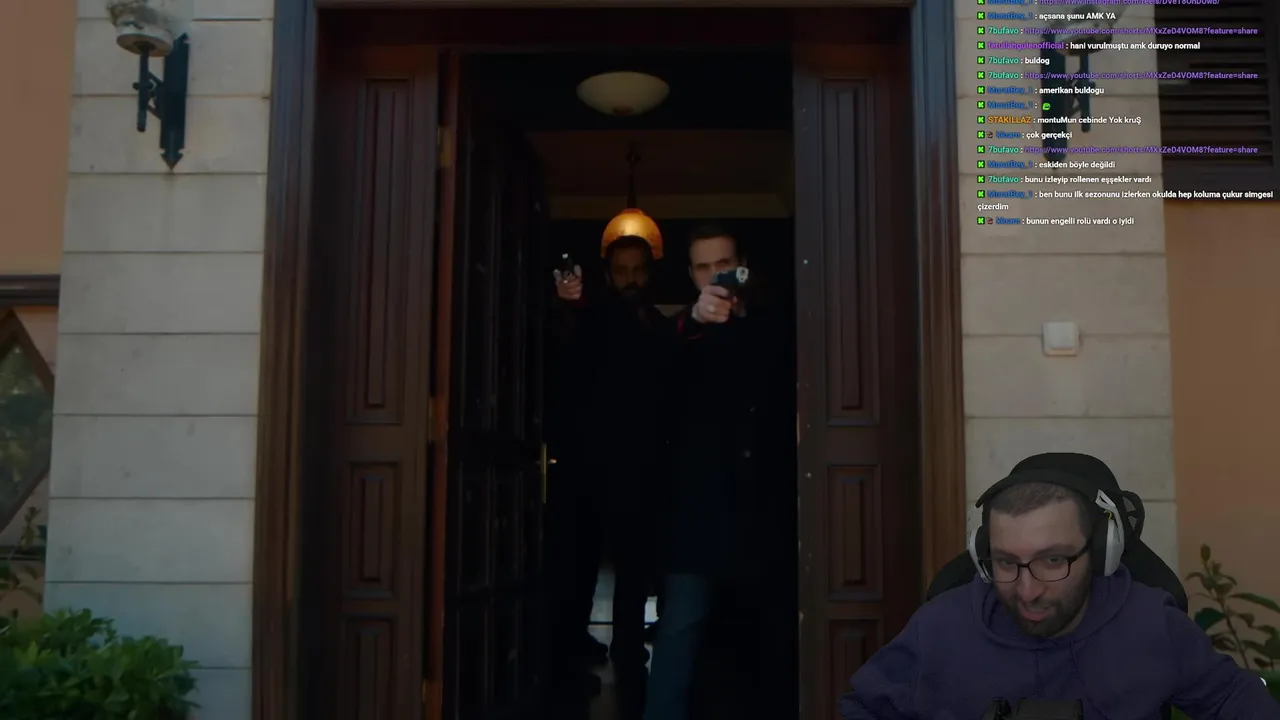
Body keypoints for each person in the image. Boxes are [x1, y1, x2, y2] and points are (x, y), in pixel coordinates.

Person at [838, 466, 1278, 720]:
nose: (1028, 591)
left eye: (1053, 560)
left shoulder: (1152, 626)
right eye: (1006, 562)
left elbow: (1237, 701)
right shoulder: (939, 629)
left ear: (1101, 553)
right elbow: (864, 710)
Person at [642, 223, 797, 720]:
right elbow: (654, 382)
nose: (714, 276)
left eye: (723, 265)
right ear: (691, 274)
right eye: (703, 267)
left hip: (764, 511)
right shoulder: (676, 333)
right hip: (696, 512)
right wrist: (694, 321)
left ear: (742, 266)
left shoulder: (776, 326)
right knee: (680, 629)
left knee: (769, 636)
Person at [544, 234, 673, 712]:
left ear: (650, 272)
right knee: (577, 568)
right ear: (607, 274)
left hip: (641, 472)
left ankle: (628, 652)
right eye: (621, 271)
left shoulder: (661, 328)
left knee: (635, 569)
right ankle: (568, 658)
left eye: (638, 270)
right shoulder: (592, 320)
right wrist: (567, 303)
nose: (630, 280)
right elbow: (564, 334)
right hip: (588, 471)